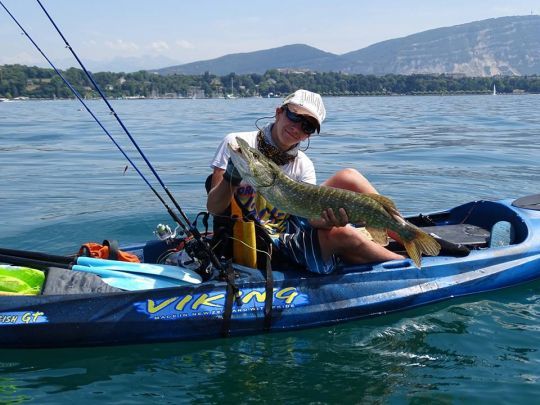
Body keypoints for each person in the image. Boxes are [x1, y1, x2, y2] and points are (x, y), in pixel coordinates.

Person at [207, 89, 403, 274]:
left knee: (349, 177)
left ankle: (406, 232)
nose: (297, 127)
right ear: (279, 112)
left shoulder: (304, 165)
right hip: (253, 242)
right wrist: (231, 178)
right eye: (294, 116)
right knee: (345, 235)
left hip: (288, 231)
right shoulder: (237, 142)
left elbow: (310, 219)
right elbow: (214, 208)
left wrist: (328, 221)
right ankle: (405, 265)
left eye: (307, 126)